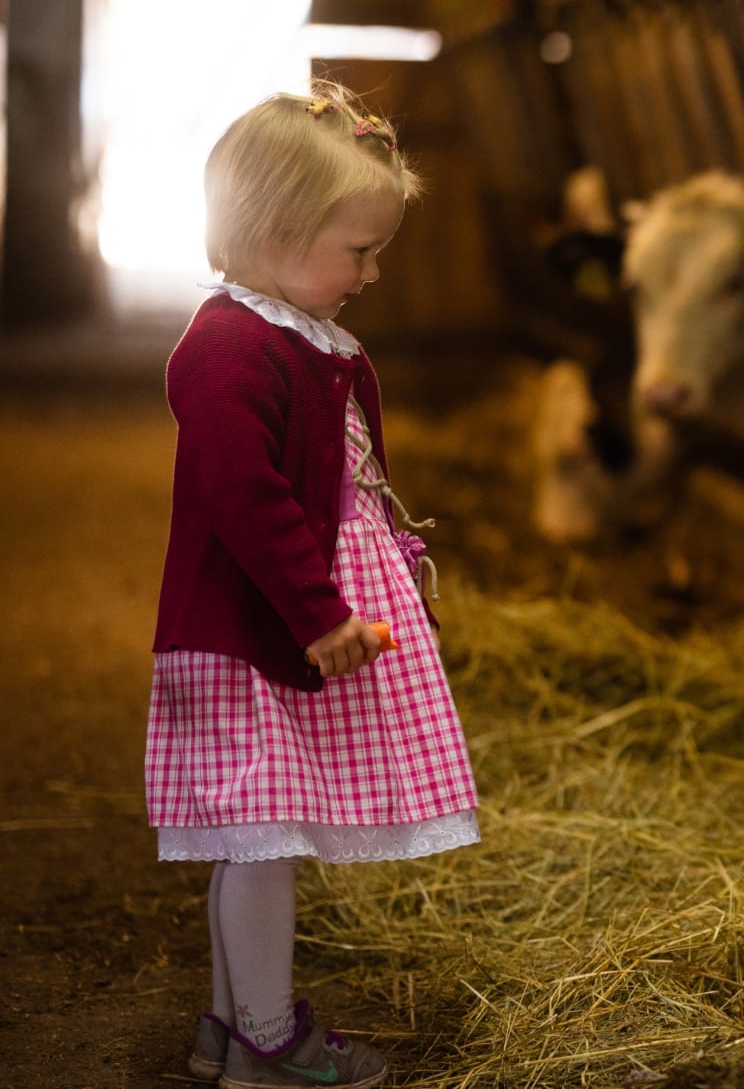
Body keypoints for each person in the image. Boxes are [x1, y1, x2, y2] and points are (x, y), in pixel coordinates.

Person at [146, 83, 478, 1089]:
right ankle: (267, 1044)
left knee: (255, 839)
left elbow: (347, 481)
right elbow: (246, 496)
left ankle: (227, 1029)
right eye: (360, 250)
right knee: (261, 841)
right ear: (277, 231)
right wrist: (320, 613)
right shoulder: (228, 347)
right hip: (251, 633)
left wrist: (393, 563)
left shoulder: (299, 337)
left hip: (281, 626)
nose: (373, 274)